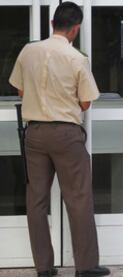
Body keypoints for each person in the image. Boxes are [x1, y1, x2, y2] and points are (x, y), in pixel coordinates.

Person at [8, 2, 110, 277]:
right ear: (75, 28)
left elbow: (19, 89)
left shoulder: (28, 51)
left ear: (52, 24)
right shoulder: (77, 58)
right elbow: (86, 103)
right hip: (66, 134)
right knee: (78, 198)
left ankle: (44, 268)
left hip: (35, 133)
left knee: (36, 201)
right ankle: (86, 266)